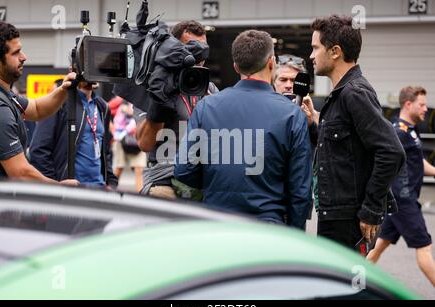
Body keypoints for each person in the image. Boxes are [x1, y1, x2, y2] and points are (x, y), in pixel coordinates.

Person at [174, 30, 312, 228]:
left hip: (217, 224)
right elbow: (300, 191)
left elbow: (184, 170)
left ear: (236, 66)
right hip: (269, 228)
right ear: (271, 63)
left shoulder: (206, 107)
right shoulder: (291, 114)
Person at [309, 15, 405, 251]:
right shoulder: (341, 95)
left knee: (347, 286)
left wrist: (371, 210)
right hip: (336, 215)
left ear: (335, 52)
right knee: (336, 286)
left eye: (315, 48)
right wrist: (316, 119)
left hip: (348, 221)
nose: (311, 56)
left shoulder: (354, 93)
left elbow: (391, 152)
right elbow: (347, 144)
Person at [0, 20, 78, 186]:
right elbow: (20, 173)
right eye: (16, 53)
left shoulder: (2, 94)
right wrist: (61, 189)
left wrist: (64, 88)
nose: (24, 57)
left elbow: (37, 109)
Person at [135, 20, 218, 199]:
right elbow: (145, 144)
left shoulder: (209, 89)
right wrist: (161, 100)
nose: (199, 56)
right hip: (165, 179)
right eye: (192, 48)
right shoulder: (154, 85)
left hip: (202, 179)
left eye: (203, 49)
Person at [367, 86, 435, 286]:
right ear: (408, 104)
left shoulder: (410, 131)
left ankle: (350, 284)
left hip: (399, 201)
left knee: (378, 247)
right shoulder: (398, 132)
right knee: (424, 245)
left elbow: (418, 163)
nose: (425, 109)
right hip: (403, 201)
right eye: (421, 104)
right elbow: (380, 158)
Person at [30, 80, 118, 189]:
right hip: (70, 194)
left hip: (99, 189)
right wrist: (55, 185)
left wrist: (111, 182)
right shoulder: (59, 103)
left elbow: (105, 151)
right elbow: (38, 150)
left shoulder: (102, 106)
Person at [112, 100, 146, 192]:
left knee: (139, 169)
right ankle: (110, 194)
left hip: (138, 139)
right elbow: (108, 109)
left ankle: (141, 198)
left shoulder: (143, 98)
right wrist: (115, 132)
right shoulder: (121, 100)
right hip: (121, 139)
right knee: (119, 169)